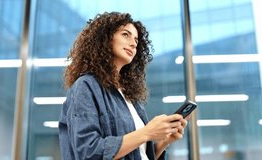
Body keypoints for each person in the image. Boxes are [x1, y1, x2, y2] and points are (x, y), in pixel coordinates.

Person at [58, 12, 187, 160]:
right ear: (105, 38)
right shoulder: (86, 86)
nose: (133, 43)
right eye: (126, 35)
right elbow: (88, 152)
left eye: (136, 41)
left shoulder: (130, 97)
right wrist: (147, 132)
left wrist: (164, 142)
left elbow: (138, 155)